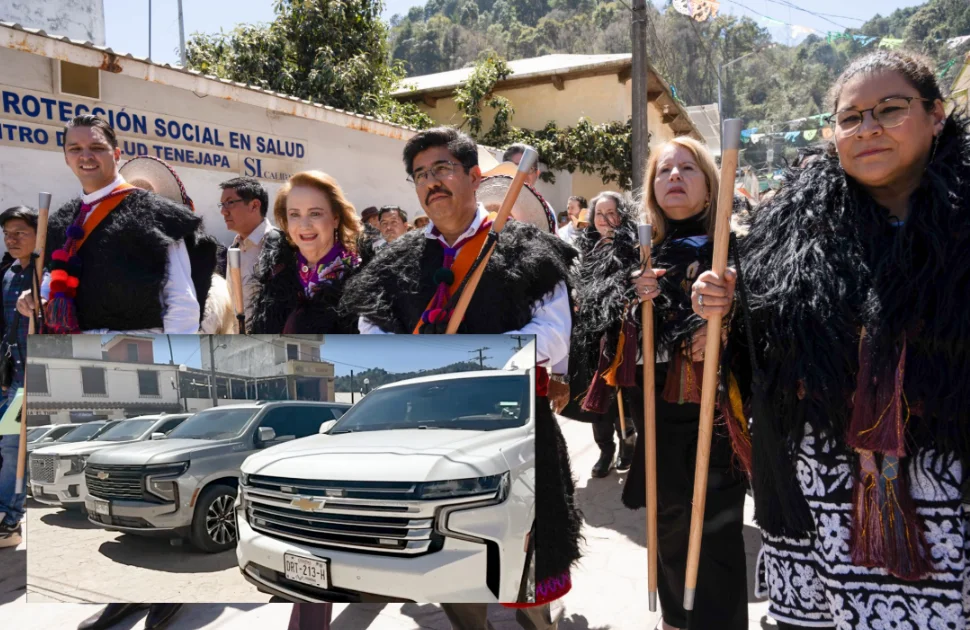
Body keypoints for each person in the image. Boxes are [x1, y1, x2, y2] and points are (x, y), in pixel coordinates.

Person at [693, 50, 970, 629]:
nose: (868, 128)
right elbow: (765, 365)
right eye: (850, 118)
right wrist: (729, 306)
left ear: (937, 114)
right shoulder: (788, 237)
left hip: (950, 481)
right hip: (826, 486)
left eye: (890, 110)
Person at [342, 127, 581, 630]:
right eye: (421, 175)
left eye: (443, 169)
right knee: (450, 562)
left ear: (475, 176)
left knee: (527, 567)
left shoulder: (525, 248)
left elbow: (554, 335)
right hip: (433, 440)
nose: (432, 183)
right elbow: (371, 328)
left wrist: (471, 362)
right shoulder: (399, 258)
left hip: (514, 435)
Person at [573, 138, 749, 630]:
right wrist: (632, 308)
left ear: (710, 186)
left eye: (688, 168)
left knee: (713, 530)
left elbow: (767, 328)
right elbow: (604, 341)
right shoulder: (639, 253)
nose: (674, 176)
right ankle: (674, 617)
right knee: (669, 522)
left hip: (714, 417)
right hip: (657, 410)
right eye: (664, 169)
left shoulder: (734, 247)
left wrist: (727, 312)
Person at [17, 115, 217, 335]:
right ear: (66, 158)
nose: (86, 156)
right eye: (75, 149)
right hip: (76, 353)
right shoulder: (61, 220)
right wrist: (37, 297)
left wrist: (176, 362)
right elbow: (55, 278)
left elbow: (181, 303)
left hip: (139, 352)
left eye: (97, 147)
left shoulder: (156, 214)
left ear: (117, 154)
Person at [564, 192, 636, 479]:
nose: (605, 220)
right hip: (591, 333)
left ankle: (627, 443)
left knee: (625, 394)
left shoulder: (633, 247)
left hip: (623, 331)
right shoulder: (584, 251)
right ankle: (605, 449)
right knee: (597, 395)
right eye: (599, 214)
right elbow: (573, 284)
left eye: (611, 213)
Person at [248, 170, 361, 334]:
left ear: (335, 218)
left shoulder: (362, 277)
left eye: (315, 213)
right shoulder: (276, 276)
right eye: (294, 214)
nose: (304, 225)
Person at [0, 206, 49, 548]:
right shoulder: (6, 274)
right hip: (7, 373)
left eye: (20, 232)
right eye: (7, 233)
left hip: (29, 378)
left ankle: (8, 520)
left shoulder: (45, 274)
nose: (12, 239)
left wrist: (39, 298)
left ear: (38, 235)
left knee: (13, 445)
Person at [219, 176, 277, 324]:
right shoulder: (234, 248)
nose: (223, 212)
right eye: (222, 205)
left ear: (254, 205)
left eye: (230, 203)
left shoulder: (279, 244)